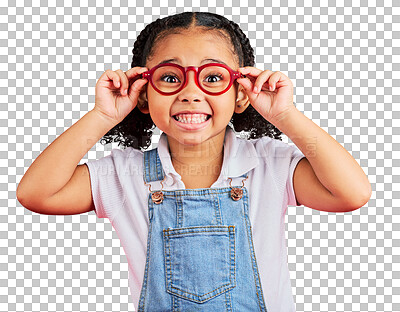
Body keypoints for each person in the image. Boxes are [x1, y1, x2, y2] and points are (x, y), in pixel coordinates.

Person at [16, 11, 371, 312]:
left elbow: (350, 193)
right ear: (143, 94)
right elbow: (37, 194)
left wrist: (286, 115)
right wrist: (102, 115)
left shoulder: (270, 165)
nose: (190, 92)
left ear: (242, 94)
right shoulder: (123, 174)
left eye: (212, 77)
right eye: (170, 78)